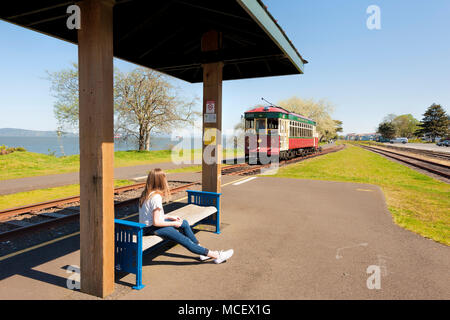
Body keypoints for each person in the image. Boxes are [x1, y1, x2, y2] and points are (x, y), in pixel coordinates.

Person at [139, 168, 234, 264]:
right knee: (184, 240)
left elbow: (152, 216)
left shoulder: (146, 194)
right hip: (153, 228)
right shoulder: (156, 197)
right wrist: (174, 223)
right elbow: (156, 222)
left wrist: (169, 217)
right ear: (160, 181)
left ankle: (201, 251)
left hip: (148, 227)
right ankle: (217, 256)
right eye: (164, 178)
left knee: (184, 223)